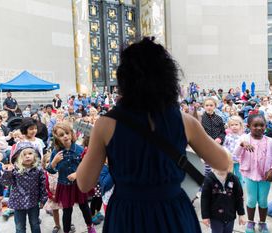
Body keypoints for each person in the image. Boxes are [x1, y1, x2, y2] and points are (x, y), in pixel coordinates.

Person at [76, 37, 230, 233]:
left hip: (127, 216)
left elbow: (84, 183)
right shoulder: (185, 122)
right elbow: (223, 162)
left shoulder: (105, 124)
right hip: (173, 214)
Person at [47, 123, 96, 233]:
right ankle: (67, 230)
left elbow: (87, 166)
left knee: (84, 206)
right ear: (57, 138)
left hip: (79, 184)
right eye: (61, 134)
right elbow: (50, 170)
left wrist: (77, 174)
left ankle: (90, 226)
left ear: (72, 134)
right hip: (64, 185)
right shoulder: (56, 152)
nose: (65, 136)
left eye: (67, 133)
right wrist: (54, 162)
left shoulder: (79, 149)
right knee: (67, 210)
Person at [234, 114, 272, 233]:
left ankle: (262, 223)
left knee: (263, 200)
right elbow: (235, 154)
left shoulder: (270, 141)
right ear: (249, 126)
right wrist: (241, 145)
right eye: (255, 125)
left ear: (266, 126)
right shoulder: (244, 139)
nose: (259, 128)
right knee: (251, 200)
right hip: (249, 175)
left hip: (265, 176)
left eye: (262, 125)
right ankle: (250, 222)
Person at [0, 141, 47, 233]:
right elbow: (6, 183)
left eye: (30, 153)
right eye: (24, 154)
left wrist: (43, 200)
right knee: (20, 226)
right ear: (18, 157)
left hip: (33, 201)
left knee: (35, 223)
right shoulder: (15, 171)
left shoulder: (38, 170)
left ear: (35, 155)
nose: (27, 156)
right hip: (18, 202)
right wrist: (7, 172)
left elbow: (43, 185)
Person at [201, 166, 246, 233]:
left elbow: (239, 197)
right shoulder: (209, 179)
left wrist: (241, 214)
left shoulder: (234, 179)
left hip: (230, 216)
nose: (223, 167)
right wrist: (205, 216)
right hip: (215, 217)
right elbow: (205, 199)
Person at [201, 97, 226, 175]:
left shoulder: (219, 119)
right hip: (205, 146)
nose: (209, 107)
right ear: (204, 106)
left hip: (217, 146)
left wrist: (220, 138)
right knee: (206, 168)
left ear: (215, 106)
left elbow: (223, 132)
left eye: (211, 105)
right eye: (207, 105)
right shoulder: (201, 118)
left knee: (216, 168)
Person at [42, 153, 63, 233]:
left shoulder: (60, 172)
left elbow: (63, 183)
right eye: (47, 162)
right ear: (44, 165)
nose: (50, 164)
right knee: (55, 211)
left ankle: (68, 223)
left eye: (52, 161)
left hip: (62, 194)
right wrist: (51, 196)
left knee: (66, 210)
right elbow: (46, 187)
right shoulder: (46, 174)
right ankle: (57, 225)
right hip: (53, 196)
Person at [223, 116, 244, 184]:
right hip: (230, 160)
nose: (234, 126)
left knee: (239, 176)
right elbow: (225, 147)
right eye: (232, 125)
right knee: (229, 175)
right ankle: (230, 189)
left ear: (240, 125)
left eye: (236, 124)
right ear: (229, 126)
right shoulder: (228, 136)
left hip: (239, 160)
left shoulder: (243, 136)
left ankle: (239, 189)